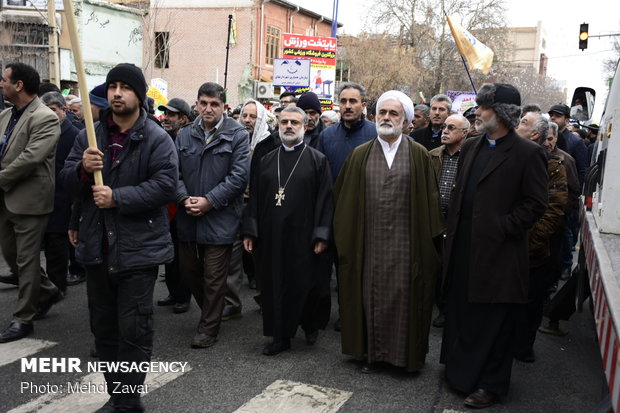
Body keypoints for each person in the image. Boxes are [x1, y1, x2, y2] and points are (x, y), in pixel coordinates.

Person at [59, 63, 178, 413]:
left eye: (125, 87)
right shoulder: (89, 137)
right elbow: (67, 182)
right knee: (104, 329)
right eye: (112, 86)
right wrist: (83, 168)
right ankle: (119, 395)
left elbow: (165, 186)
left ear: (138, 96)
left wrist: (119, 198)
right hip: (97, 249)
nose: (116, 93)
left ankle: (127, 401)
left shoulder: (155, 137)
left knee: (134, 329)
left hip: (137, 251)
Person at [440, 83, 548, 408]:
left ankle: (490, 385)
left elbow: (535, 204)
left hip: (500, 255)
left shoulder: (528, 154)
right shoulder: (472, 145)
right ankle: (459, 374)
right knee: (463, 314)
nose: (478, 112)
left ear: (500, 113)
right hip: (464, 247)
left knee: (493, 324)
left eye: (484, 108)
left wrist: (501, 227)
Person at [333, 90, 443, 373]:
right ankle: (371, 354)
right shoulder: (360, 155)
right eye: (382, 112)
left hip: (407, 246)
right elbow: (344, 204)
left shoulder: (419, 155)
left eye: (394, 113)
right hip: (367, 244)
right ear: (374, 116)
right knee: (369, 298)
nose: (386, 117)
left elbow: (430, 204)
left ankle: (402, 359)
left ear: (406, 121)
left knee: (406, 299)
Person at [243, 106, 333, 355]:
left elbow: (325, 200)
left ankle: (309, 324)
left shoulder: (318, 160)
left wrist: (322, 234)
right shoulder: (266, 160)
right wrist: (250, 231)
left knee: (307, 285)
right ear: (278, 126)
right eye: (284, 122)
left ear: (305, 126)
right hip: (272, 236)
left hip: (304, 237)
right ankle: (279, 336)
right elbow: (255, 200)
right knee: (275, 286)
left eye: (295, 122)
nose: (289, 126)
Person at [175, 82, 249, 349]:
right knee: (189, 271)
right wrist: (184, 199)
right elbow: (173, 173)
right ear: (196, 104)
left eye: (214, 104)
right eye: (203, 103)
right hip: (188, 217)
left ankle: (208, 328)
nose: (208, 109)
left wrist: (210, 201)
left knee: (214, 277)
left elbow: (239, 177)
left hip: (220, 218)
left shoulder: (237, 134)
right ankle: (212, 310)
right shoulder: (184, 134)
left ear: (223, 107)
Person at [0, 63, 62, 343]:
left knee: (26, 260)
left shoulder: (45, 117)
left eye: (4, 80)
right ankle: (48, 290)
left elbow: (31, 157)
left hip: (30, 199)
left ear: (19, 85)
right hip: (6, 198)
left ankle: (23, 319)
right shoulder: (5, 116)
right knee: (12, 257)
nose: (1, 84)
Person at [514, 113, 568, 362]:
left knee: (531, 302)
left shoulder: (557, 166)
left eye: (524, 123)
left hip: (536, 252)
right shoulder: (510, 157)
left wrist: (531, 243)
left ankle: (524, 346)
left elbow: (554, 211)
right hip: (509, 247)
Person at [40, 91, 81, 295]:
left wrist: (75, 202)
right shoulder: (42, 132)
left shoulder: (74, 135)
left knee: (57, 250)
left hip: (63, 202)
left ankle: (55, 290)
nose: (48, 115)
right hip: (42, 200)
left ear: (63, 111)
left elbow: (76, 172)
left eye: (52, 111)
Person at [155, 97, 192, 314]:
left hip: (183, 204)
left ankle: (184, 296)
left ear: (184, 118)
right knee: (168, 254)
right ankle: (173, 292)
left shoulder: (189, 139)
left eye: (171, 115)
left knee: (182, 256)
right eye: (165, 114)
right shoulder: (163, 137)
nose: (166, 118)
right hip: (165, 206)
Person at [316, 82, 376, 182]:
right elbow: (319, 174)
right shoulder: (326, 135)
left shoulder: (376, 134)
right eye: (343, 101)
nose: (347, 106)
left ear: (363, 105)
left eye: (352, 101)